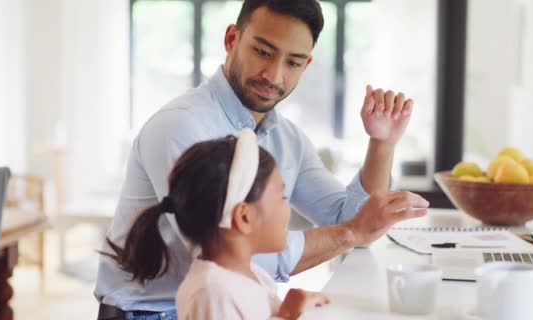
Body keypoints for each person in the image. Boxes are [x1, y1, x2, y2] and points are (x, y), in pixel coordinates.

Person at [95, 0, 430, 319]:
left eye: (293, 62)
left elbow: (351, 220)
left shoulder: (287, 139)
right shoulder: (182, 125)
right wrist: (351, 233)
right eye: (263, 52)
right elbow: (230, 251)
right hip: (152, 314)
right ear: (231, 39)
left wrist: (382, 144)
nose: (274, 75)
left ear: (307, 64)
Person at [105, 130, 331, 320]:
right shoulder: (213, 293)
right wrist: (288, 315)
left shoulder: (251, 274)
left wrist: (289, 310)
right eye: (282, 198)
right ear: (244, 217)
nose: (287, 210)